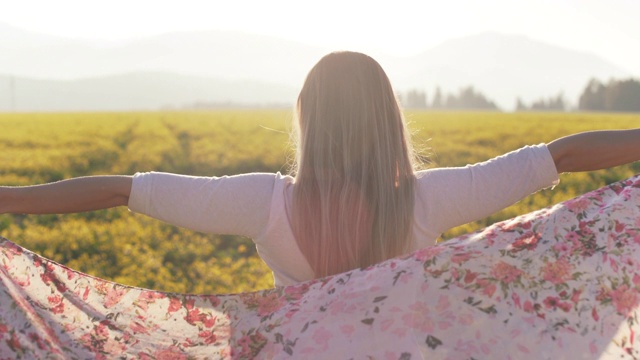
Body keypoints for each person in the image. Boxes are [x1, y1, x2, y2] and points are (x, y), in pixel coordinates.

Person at [0, 51, 638, 287]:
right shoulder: (429, 199)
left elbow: (122, 190)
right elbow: (558, 156)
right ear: (387, 118)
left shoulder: (260, 203)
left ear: (307, 117)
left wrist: (8, 199)